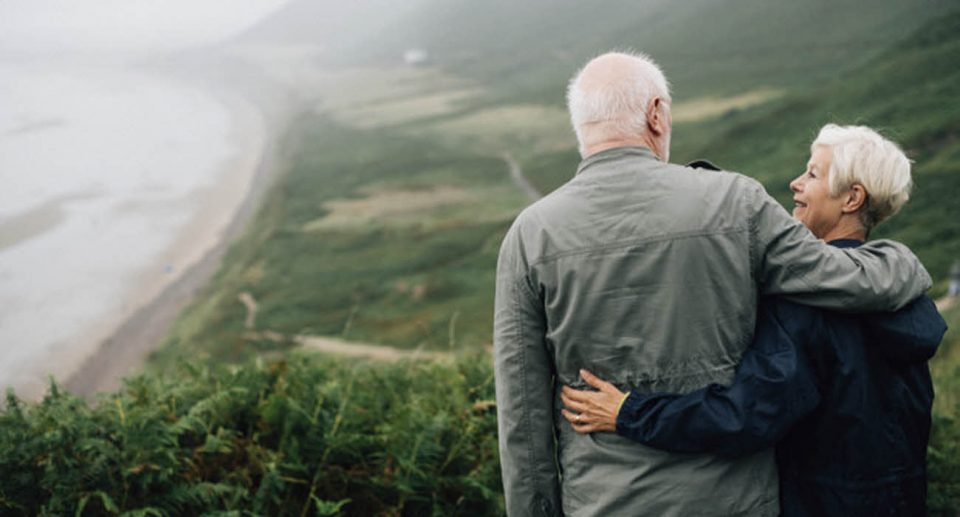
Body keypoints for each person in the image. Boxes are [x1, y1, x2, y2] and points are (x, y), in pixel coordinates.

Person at [493, 51, 932, 517]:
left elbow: (522, 415)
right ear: (656, 113)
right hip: (738, 502)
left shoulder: (529, 234)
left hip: (602, 503)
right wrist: (903, 262)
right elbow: (844, 277)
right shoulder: (737, 202)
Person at [560, 124, 947, 515]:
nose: (796, 184)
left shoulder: (807, 305)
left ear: (852, 198)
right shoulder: (907, 298)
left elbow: (745, 416)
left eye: (812, 174)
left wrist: (629, 413)